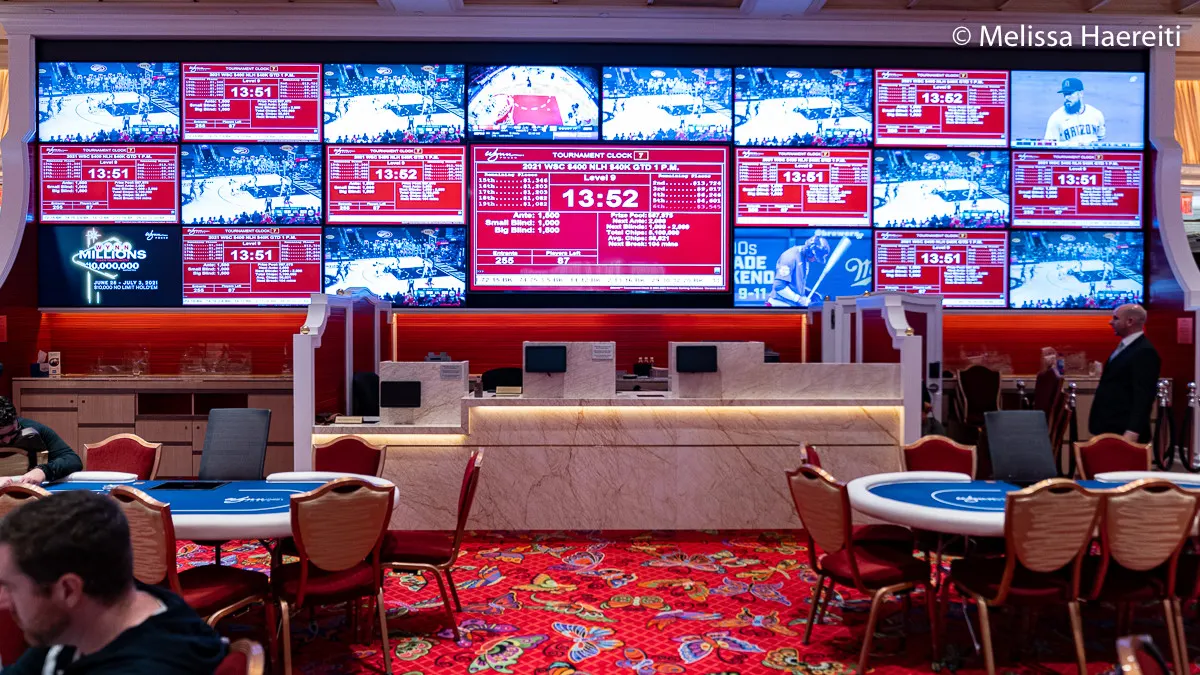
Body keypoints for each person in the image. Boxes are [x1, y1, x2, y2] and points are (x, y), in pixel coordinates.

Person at [0, 490, 226, 674]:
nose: (3, 601)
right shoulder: (75, 623)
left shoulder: (145, 666)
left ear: (68, 590)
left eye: (9, 587)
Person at [1089, 304, 1160, 443]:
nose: (1110, 322)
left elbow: (1144, 395)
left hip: (1124, 432)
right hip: (1110, 428)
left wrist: (1133, 431)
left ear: (1129, 321)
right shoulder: (1126, 347)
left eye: (1115, 318)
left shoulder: (1144, 351)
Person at [0, 396, 81, 487]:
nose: (7, 441)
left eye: (12, 432)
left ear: (16, 419)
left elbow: (72, 459)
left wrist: (44, 471)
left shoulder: (36, 429)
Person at [766, 236, 831, 308]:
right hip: (780, 305)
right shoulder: (790, 257)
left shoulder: (804, 258)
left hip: (791, 305)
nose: (815, 260)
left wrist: (807, 292)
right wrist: (799, 299)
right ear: (809, 252)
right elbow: (779, 286)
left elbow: (793, 284)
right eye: (815, 257)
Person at [1043, 77, 1106, 147]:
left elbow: (1101, 140)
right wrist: (1072, 145)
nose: (1066, 97)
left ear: (1081, 93)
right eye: (1065, 94)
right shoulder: (1056, 118)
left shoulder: (1096, 114)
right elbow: (1049, 145)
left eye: (1070, 93)